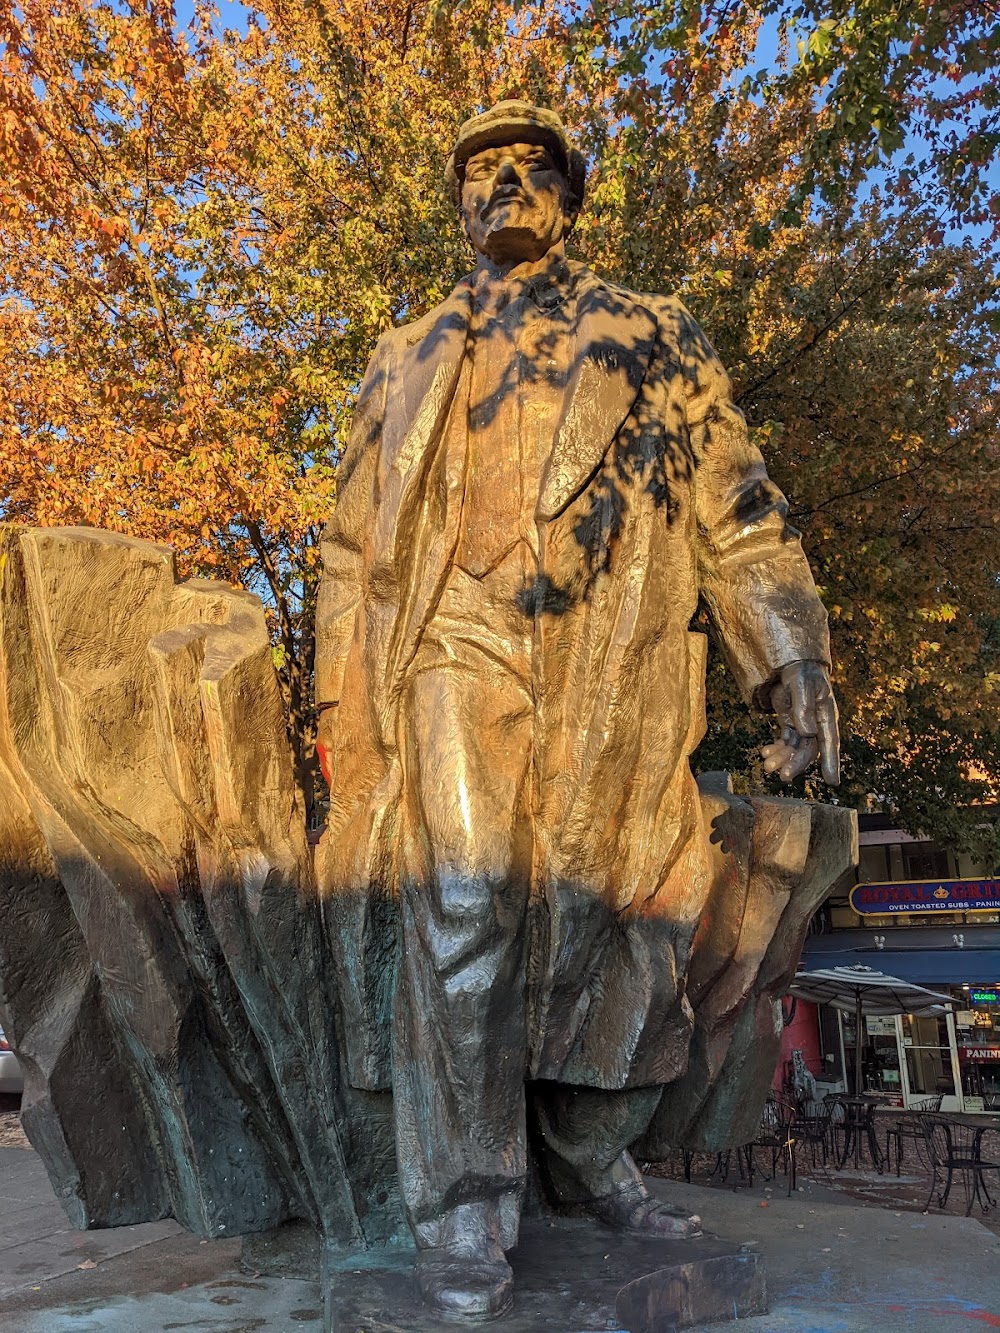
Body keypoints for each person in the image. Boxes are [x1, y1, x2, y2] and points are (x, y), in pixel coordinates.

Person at [315, 100, 839, 1321]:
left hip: (608, 661)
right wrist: (340, 697)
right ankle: (460, 1201)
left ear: (568, 191)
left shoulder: (651, 336)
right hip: (453, 641)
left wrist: (789, 656)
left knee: (628, 917)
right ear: (458, 202)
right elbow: (347, 547)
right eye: (479, 168)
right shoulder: (403, 357)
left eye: (527, 165)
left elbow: (736, 505)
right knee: (461, 898)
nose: (501, 182)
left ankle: (592, 1154)